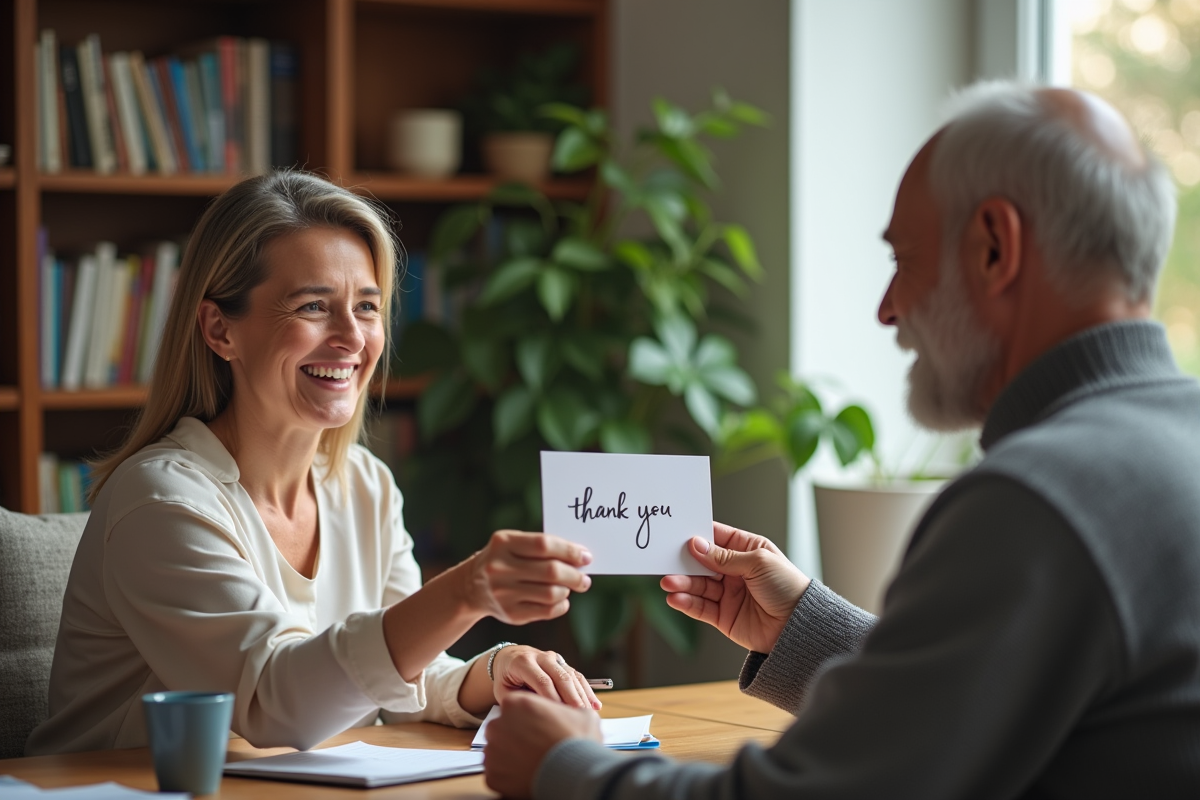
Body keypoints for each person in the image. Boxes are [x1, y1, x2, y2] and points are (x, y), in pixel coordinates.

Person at [482, 81, 1200, 798]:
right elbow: (979, 708)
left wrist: (567, 769)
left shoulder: (1038, 499)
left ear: (993, 248)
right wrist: (805, 628)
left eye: (904, 261)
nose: (887, 310)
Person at [26, 171, 600, 756]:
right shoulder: (161, 502)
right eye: (314, 306)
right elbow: (274, 702)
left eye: (368, 307)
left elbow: (404, 677)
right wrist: (466, 590)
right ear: (220, 329)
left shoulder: (364, 483)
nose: (352, 338)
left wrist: (497, 670)